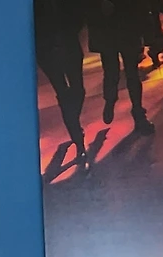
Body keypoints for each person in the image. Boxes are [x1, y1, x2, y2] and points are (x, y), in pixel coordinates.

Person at [89, 0, 156, 135]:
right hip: (117, 23)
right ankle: (118, 102)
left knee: (125, 72)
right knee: (119, 72)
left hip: (122, 21)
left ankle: (133, 110)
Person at [34, 0, 89, 161]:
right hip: (48, 50)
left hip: (67, 44)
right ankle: (78, 139)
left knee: (77, 91)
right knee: (64, 94)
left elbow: (78, 12)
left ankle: (74, 126)